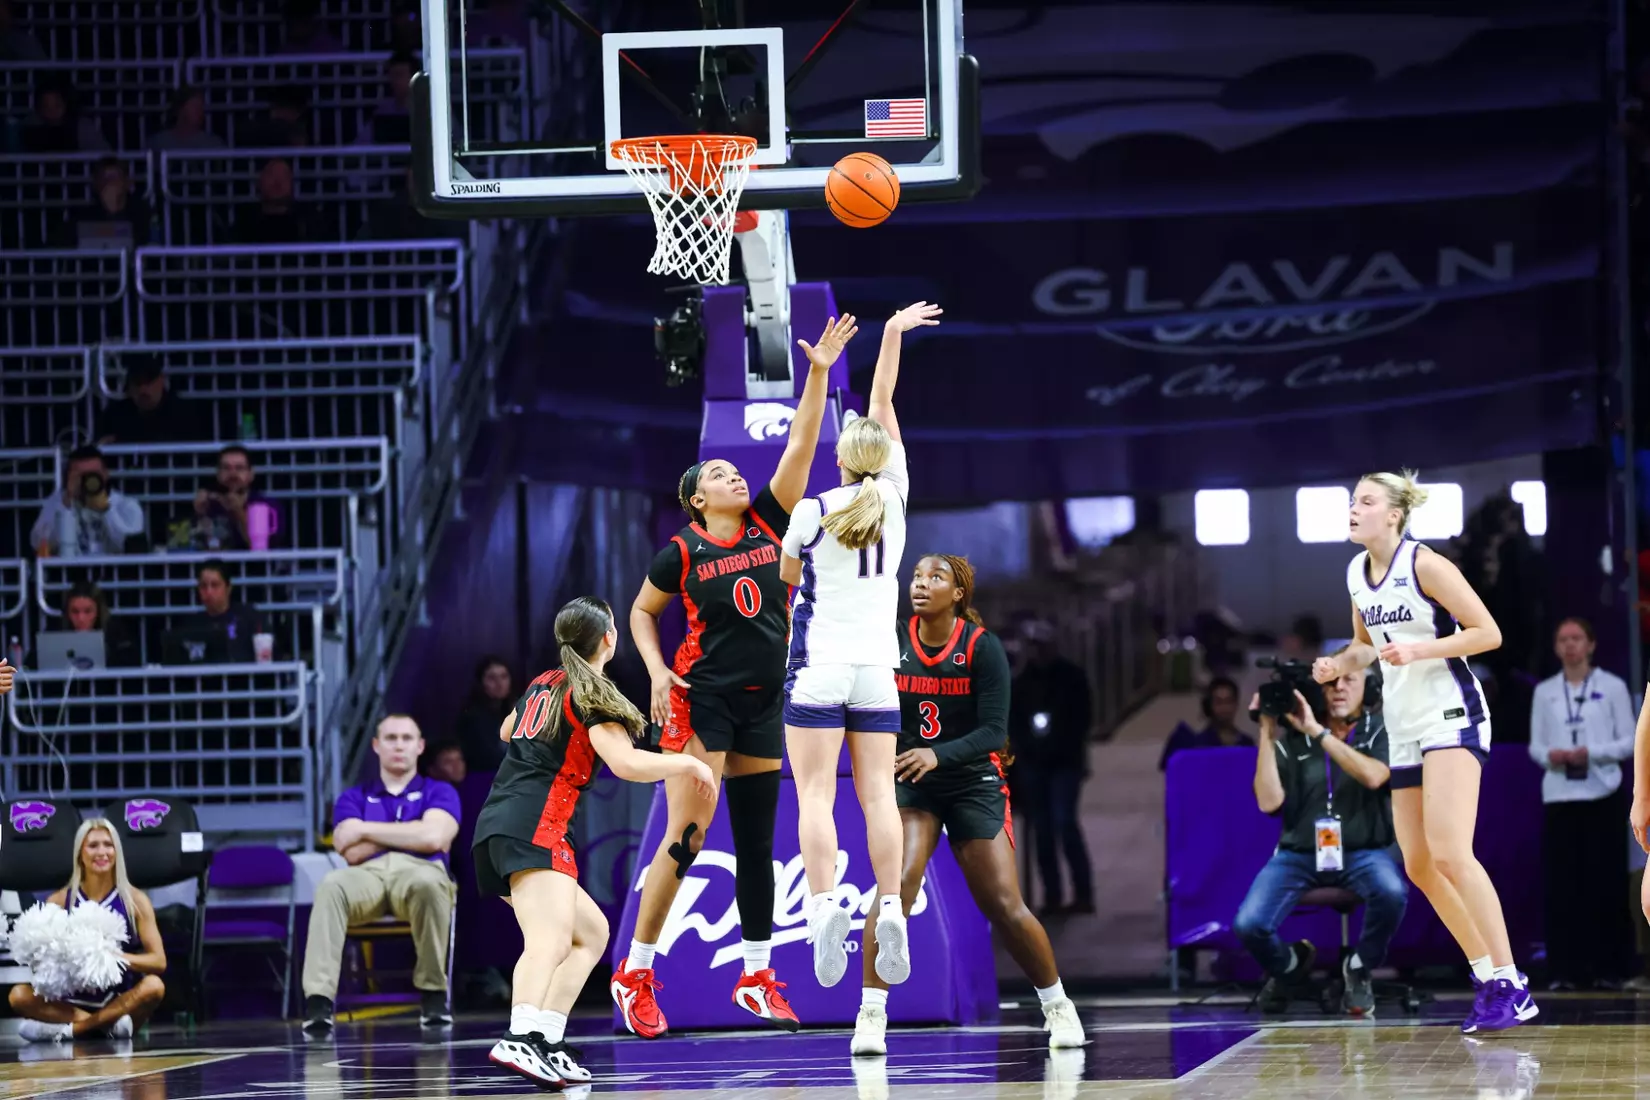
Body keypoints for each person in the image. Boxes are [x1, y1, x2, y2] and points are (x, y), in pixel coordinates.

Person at [615, 314, 859, 1036]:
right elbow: (638, 613)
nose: (733, 474)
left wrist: (817, 374)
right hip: (705, 702)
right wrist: (657, 673)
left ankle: (756, 976)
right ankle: (636, 972)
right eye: (719, 473)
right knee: (688, 836)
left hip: (763, 701)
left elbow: (803, 443)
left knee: (757, 841)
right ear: (698, 498)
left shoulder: (767, 523)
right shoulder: (681, 553)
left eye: (732, 470)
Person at [1313, 469, 1535, 1033]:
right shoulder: (1356, 574)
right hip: (1403, 724)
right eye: (1351, 500)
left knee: (1452, 851)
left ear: (1394, 514)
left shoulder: (1425, 564)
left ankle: (1513, 981)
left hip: (1452, 714)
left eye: (1365, 501)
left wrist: (1421, 650)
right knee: (1417, 863)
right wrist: (1339, 664)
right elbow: (1366, 648)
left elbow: (1488, 633)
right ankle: (1487, 976)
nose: (1353, 508)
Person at [473, 597, 715, 1089]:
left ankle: (546, 1037)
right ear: (609, 638)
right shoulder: (591, 694)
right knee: (551, 940)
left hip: (499, 825)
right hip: (533, 824)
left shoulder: (545, 681)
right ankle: (519, 1035)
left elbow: (506, 731)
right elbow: (627, 765)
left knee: (592, 934)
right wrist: (689, 763)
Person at [850, 552, 1084, 1056]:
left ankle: (1058, 1006)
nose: (921, 583)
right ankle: (871, 1016)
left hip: (974, 780)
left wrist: (939, 754)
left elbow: (995, 733)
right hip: (914, 781)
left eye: (935, 577)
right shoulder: (888, 641)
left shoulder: (983, 648)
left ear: (957, 594)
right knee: (897, 887)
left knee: (1004, 903)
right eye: (916, 575)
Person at [778, 302, 941, 993]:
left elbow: (790, 575)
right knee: (878, 794)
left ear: (841, 458)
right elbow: (883, 400)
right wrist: (895, 333)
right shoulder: (897, 501)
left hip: (818, 669)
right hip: (880, 672)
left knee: (815, 795)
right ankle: (893, 905)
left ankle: (822, 909)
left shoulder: (814, 510)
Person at [1237, 657, 1407, 1016]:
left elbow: (1376, 776)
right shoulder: (1294, 740)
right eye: (1331, 683)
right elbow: (1269, 802)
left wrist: (1319, 733)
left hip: (1364, 851)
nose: (1340, 688)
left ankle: (1359, 967)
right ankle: (1289, 965)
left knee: (1391, 892)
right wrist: (1267, 731)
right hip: (1298, 854)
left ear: (1369, 688)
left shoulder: (1380, 730)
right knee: (1249, 924)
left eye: (1350, 680)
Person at [303, 715, 461, 1033]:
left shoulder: (440, 791)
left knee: (431, 885)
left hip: (421, 870)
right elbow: (348, 848)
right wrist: (409, 833)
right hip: (367, 875)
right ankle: (318, 1002)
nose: (398, 745)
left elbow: (435, 839)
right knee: (331, 884)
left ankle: (433, 993)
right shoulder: (353, 797)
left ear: (419, 746)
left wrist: (366, 830)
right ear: (377, 746)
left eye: (406, 738)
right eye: (390, 738)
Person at [1528, 617, 1635, 989]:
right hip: (1561, 797)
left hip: (1602, 793)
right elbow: (1535, 747)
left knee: (1604, 883)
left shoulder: (1613, 687)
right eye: (1563, 639)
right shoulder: (1545, 692)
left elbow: (1629, 741)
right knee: (1563, 886)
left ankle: (1610, 968)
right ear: (1556, 648)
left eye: (1577, 639)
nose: (1570, 645)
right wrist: (1553, 755)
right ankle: (1564, 970)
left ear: (1590, 644)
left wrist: (1592, 753)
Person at [8, 818, 167, 1041]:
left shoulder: (135, 901)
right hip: (70, 1003)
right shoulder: (60, 900)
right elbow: (41, 966)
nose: (102, 852)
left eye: (108, 845)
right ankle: (104, 1028)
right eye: (93, 846)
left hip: (118, 1001)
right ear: (80, 854)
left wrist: (109, 957)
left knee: (154, 986)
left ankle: (71, 1031)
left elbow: (158, 961)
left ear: (117, 852)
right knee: (18, 995)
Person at [1009, 623, 1095, 916]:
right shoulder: (1022, 682)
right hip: (1035, 765)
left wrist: (1060, 745)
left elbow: (1082, 719)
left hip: (1064, 763)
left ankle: (1083, 893)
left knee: (1064, 823)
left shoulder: (1071, 678)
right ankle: (1053, 896)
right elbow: (1014, 723)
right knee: (1042, 831)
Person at [29, 445, 147, 558]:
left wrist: (107, 511)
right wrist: (66, 505)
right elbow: (38, 543)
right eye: (80, 475)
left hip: (113, 574)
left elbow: (129, 546)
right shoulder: (57, 502)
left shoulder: (126, 505)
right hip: (70, 574)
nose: (88, 480)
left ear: (105, 474)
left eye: (93, 474)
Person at [1159, 677, 1254, 771]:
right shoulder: (1197, 745)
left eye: (1229, 702)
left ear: (1236, 704)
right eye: (1219, 702)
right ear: (1210, 705)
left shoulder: (1247, 744)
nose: (1224, 708)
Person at [455, 655, 516, 772]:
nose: (499, 683)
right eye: (492, 678)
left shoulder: (518, 709)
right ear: (481, 683)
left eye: (504, 677)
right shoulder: (472, 717)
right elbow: (488, 757)